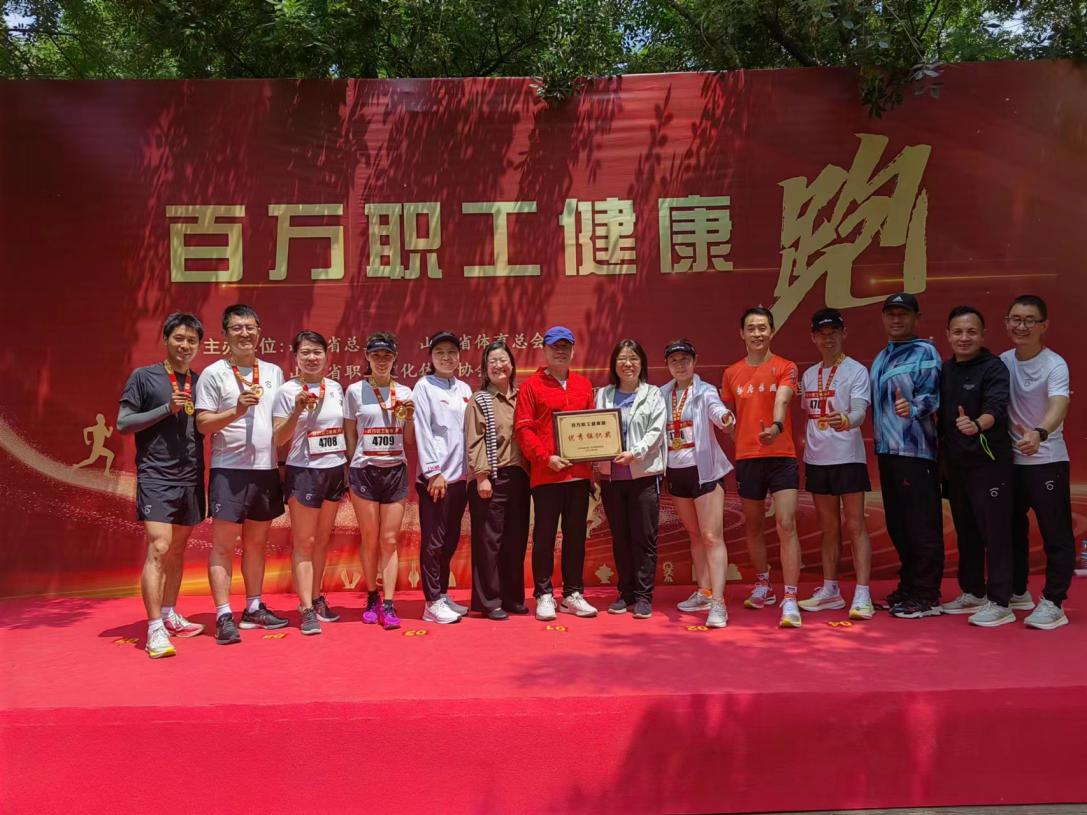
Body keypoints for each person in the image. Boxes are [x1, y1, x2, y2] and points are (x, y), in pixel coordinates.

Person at [193, 304, 287, 645]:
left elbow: (279, 423)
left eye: (250, 327)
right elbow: (202, 424)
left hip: (265, 470)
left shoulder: (274, 372)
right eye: (237, 328)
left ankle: (254, 607)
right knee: (223, 546)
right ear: (225, 335)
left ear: (259, 332)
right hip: (229, 471)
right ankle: (223, 615)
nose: (244, 333)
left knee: (257, 544)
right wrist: (237, 410)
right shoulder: (214, 373)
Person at [117, 312, 207, 659]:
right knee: (159, 546)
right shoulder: (144, 377)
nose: (185, 345)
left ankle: (169, 613)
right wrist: (166, 408)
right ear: (166, 339)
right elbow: (124, 423)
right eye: (179, 338)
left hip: (191, 476)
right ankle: (154, 627)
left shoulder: (200, 381)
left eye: (191, 340)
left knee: (178, 550)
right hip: (156, 475)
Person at [723, 307, 804, 628]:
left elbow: (782, 399)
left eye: (762, 328)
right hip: (748, 459)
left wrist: (776, 426)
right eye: (751, 328)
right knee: (753, 526)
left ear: (771, 331)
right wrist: (740, 436)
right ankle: (763, 584)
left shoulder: (786, 367)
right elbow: (727, 416)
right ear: (741, 334)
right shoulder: (731, 373)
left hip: (781, 455)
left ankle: (790, 597)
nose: (757, 333)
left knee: (786, 523)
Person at [514, 325, 599, 621]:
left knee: (576, 535)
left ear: (573, 350)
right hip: (546, 475)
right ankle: (544, 593)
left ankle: (573, 594)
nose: (560, 351)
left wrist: (593, 461)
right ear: (545, 350)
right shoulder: (531, 386)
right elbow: (523, 429)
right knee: (545, 535)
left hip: (578, 475)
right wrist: (545, 458)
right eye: (555, 346)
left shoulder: (584, 385)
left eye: (565, 346)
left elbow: (594, 427)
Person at [937, 306, 1015, 626]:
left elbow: (996, 406)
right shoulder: (945, 370)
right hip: (956, 465)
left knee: (995, 532)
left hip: (989, 463)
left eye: (971, 331)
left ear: (983, 335)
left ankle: (1001, 601)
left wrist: (977, 425)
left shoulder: (994, 368)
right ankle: (973, 592)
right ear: (948, 336)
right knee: (967, 530)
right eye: (958, 332)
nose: (964, 338)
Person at [796, 308, 875, 621]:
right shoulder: (808, 375)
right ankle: (830, 589)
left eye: (834, 333)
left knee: (855, 525)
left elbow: (859, 412)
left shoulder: (856, 371)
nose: (828, 339)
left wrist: (846, 419)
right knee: (828, 528)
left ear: (844, 334)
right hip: (817, 459)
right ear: (813, 338)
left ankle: (863, 593)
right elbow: (808, 412)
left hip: (848, 458)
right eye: (822, 333)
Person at [869, 292, 944, 619]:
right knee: (899, 525)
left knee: (921, 525)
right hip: (888, 452)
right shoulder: (882, 355)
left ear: (916, 318)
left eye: (903, 314)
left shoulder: (925, 352)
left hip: (915, 451)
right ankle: (909, 586)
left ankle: (926, 593)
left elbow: (934, 396)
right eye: (891, 314)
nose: (896, 319)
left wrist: (912, 408)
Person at [1002, 294, 1074, 629]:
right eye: (1015, 319)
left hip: (1047, 460)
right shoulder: (1002, 362)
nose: (1021, 326)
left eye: (1030, 320)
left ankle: (1054, 602)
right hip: (1010, 464)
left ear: (1044, 326)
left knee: (1056, 535)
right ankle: (1017, 592)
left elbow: (1059, 404)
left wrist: (1040, 433)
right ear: (1007, 323)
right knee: (1010, 532)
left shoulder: (1054, 364)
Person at [272, 331, 348, 636]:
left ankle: (317, 597)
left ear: (327, 356)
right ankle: (304, 608)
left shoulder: (336, 388)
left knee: (322, 540)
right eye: (305, 352)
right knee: (304, 542)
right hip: (303, 471)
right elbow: (278, 438)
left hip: (333, 470)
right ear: (295, 357)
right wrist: (297, 410)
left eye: (317, 352)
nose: (312, 358)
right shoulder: (286, 391)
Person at [660, 340, 736, 628]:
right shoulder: (661, 394)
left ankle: (718, 602)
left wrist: (726, 417)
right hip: (676, 472)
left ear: (694, 361)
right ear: (667, 365)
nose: (680, 365)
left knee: (711, 536)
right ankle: (704, 592)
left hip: (705, 471)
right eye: (674, 360)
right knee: (695, 535)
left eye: (685, 359)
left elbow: (717, 411)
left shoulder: (705, 391)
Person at [344, 332, 415, 631]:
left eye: (387, 355)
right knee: (370, 538)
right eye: (376, 355)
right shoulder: (355, 391)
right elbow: (350, 432)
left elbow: (409, 440)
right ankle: (372, 596)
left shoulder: (405, 392)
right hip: (364, 471)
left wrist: (408, 418)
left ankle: (388, 602)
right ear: (367, 357)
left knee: (389, 540)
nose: (382, 360)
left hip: (395, 470)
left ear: (395, 358)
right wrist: (353, 462)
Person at [594, 340, 667, 619]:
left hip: (643, 475)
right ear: (614, 364)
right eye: (622, 358)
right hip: (612, 478)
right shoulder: (603, 394)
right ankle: (625, 593)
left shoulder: (653, 394)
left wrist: (634, 453)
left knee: (644, 537)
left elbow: (656, 431)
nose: (628, 364)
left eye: (634, 358)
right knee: (620, 538)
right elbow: (594, 429)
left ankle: (644, 596)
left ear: (642, 363)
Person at [465, 341, 530, 620]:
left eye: (503, 360)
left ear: (512, 365)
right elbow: (474, 441)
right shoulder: (480, 400)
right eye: (492, 361)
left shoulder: (523, 398)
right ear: (484, 368)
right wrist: (482, 477)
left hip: (520, 477)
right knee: (488, 542)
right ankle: (489, 601)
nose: (498, 365)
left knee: (515, 540)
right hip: (491, 477)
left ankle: (512, 597)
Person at [413, 331, 473, 625]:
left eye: (451, 352)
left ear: (459, 357)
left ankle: (443, 594)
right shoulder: (424, 387)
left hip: (460, 479)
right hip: (436, 480)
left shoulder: (464, 389)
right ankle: (431, 602)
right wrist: (433, 472)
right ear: (431, 357)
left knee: (450, 540)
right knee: (434, 542)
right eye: (440, 353)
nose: (446, 357)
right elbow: (422, 430)